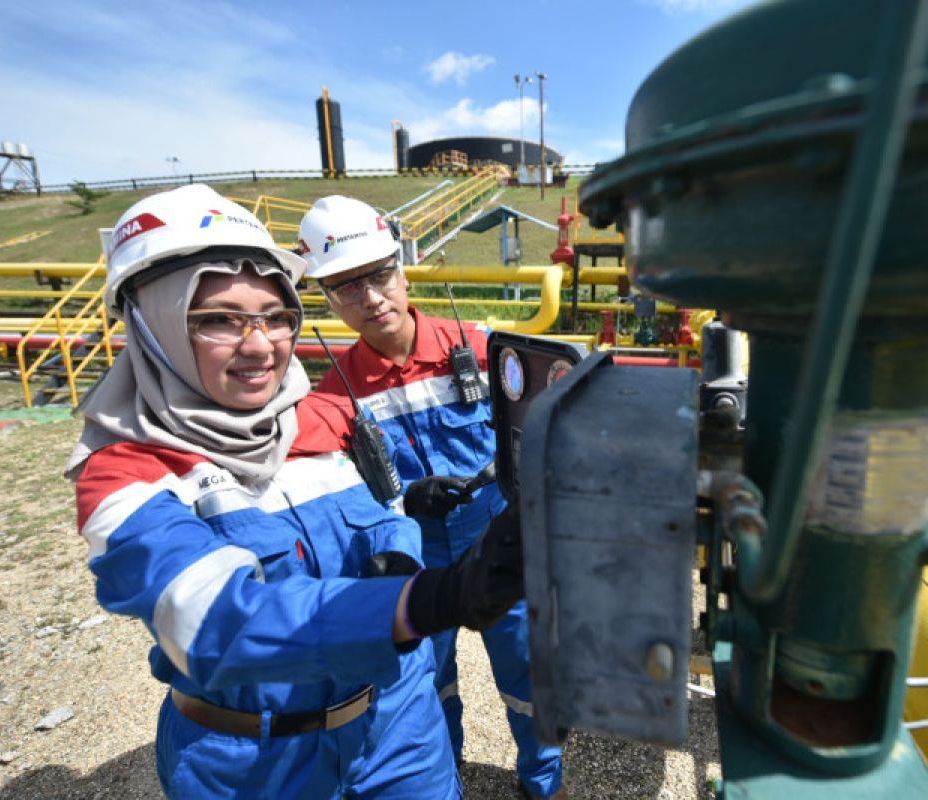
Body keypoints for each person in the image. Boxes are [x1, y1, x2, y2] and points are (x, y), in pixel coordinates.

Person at [65, 184, 523, 799]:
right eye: (218, 320)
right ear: (152, 326)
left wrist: (403, 536)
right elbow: (212, 624)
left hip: (396, 726)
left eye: (276, 316)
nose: (259, 344)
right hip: (254, 764)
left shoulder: (316, 418)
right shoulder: (121, 473)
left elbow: (381, 514)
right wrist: (424, 601)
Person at [297, 195, 565, 800]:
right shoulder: (333, 397)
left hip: (501, 547)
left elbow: (547, 420)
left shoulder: (481, 346)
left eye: (379, 275)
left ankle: (544, 783)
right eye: (345, 287)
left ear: (403, 267)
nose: (370, 298)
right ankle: (444, 774)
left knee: (530, 670)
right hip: (416, 565)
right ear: (327, 299)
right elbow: (329, 496)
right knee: (424, 682)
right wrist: (402, 501)